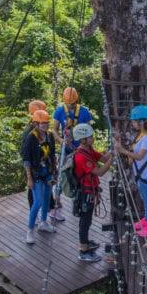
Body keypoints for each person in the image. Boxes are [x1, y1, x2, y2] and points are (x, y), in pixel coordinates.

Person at [113, 104, 147, 238]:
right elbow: (135, 152)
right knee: (145, 199)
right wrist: (119, 141)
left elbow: (139, 156)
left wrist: (122, 150)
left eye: (133, 121)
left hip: (145, 174)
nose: (132, 123)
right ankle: (146, 219)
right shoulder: (140, 136)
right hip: (141, 173)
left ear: (141, 122)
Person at [50, 87, 93, 221]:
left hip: (79, 149)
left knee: (80, 176)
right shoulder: (60, 111)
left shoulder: (84, 112)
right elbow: (55, 129)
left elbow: (89, 131)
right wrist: (61, 140)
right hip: (66, 148)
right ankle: (55, 205)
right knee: (63, 176)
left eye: (73, 103)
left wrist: (88, 148)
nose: (71, 106)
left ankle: (78, 202)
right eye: (69, 104)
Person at [72, 123, 113, 262]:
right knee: (85, 221)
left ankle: (86, 243)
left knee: (87, 220)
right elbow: (100, 172)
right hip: (85, 193)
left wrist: (113, 151)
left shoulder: (88, 150)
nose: (92, 138)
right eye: (90, 137)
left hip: (91, 190)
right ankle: (83, 251)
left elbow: (103, 158)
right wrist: (113, 159)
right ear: (82, 139)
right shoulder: (81, 157)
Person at [21, 109, 57, 244]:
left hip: (47, 171)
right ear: (36, 124)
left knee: (47, 197)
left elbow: (52, 155)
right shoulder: (31, 138)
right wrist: (29, 178)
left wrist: (54, 172)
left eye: (47, 123)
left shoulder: (49, 136)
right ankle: (29, 231)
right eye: (42, 124)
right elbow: (26, 159)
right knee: (38, 202)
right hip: (36, 173)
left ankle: (43, 222)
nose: (45, 126)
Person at [22, 100, 63, 214]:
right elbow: (26, 153)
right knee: (33, 188)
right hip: (33, 164)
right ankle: (34, 211)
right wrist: (29, 173)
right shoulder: (30, 132)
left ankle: (49, 207)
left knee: (47, 185)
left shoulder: (41, 129)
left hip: (44, 164)